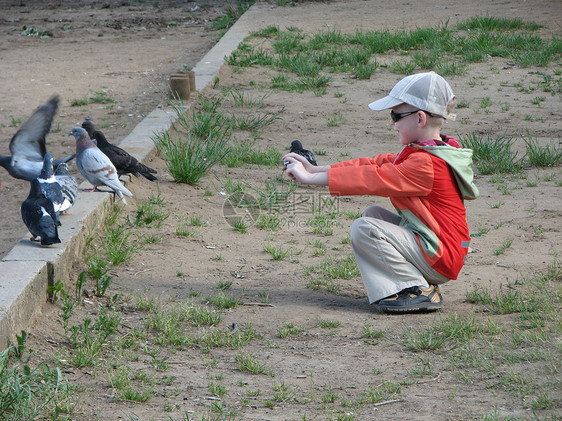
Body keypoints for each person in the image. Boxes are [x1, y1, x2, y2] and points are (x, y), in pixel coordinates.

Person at [282, 71, 479, 313]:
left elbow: (373, 179)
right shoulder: (430, 152)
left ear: (420, 119)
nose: (392, 123)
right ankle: (414, 285)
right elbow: (373, 165)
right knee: (373, 215)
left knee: (365, 228)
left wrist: (310, 179)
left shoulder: (426, 164)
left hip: (441, 255)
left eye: (396, 115)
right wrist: (313, 169)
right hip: (442, 247)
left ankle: (417, 289)